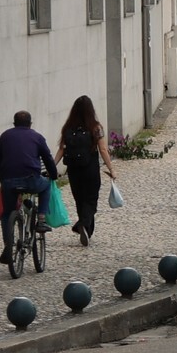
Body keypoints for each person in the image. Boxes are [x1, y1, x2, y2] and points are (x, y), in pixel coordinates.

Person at [0, 111, 58, 267]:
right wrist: (54, 175)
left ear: (14, 123)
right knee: (46, 186)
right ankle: (41, 220)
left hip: (8, 182)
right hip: (31, 180)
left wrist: (3, 180)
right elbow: (48, 158)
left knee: (7, 214)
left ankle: (8, 245)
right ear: (30, 124)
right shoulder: (37, 137)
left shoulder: (4, 136)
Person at [56, 95, 115, 247]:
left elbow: (62, 149)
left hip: (73, 170)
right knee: (91, 200)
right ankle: (83, 224)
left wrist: (52, 165)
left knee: (80, 200)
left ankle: (86, 230)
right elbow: (102, 149)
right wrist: (111, 169)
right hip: (90, 168)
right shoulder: (96, 127)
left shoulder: (68, 128)